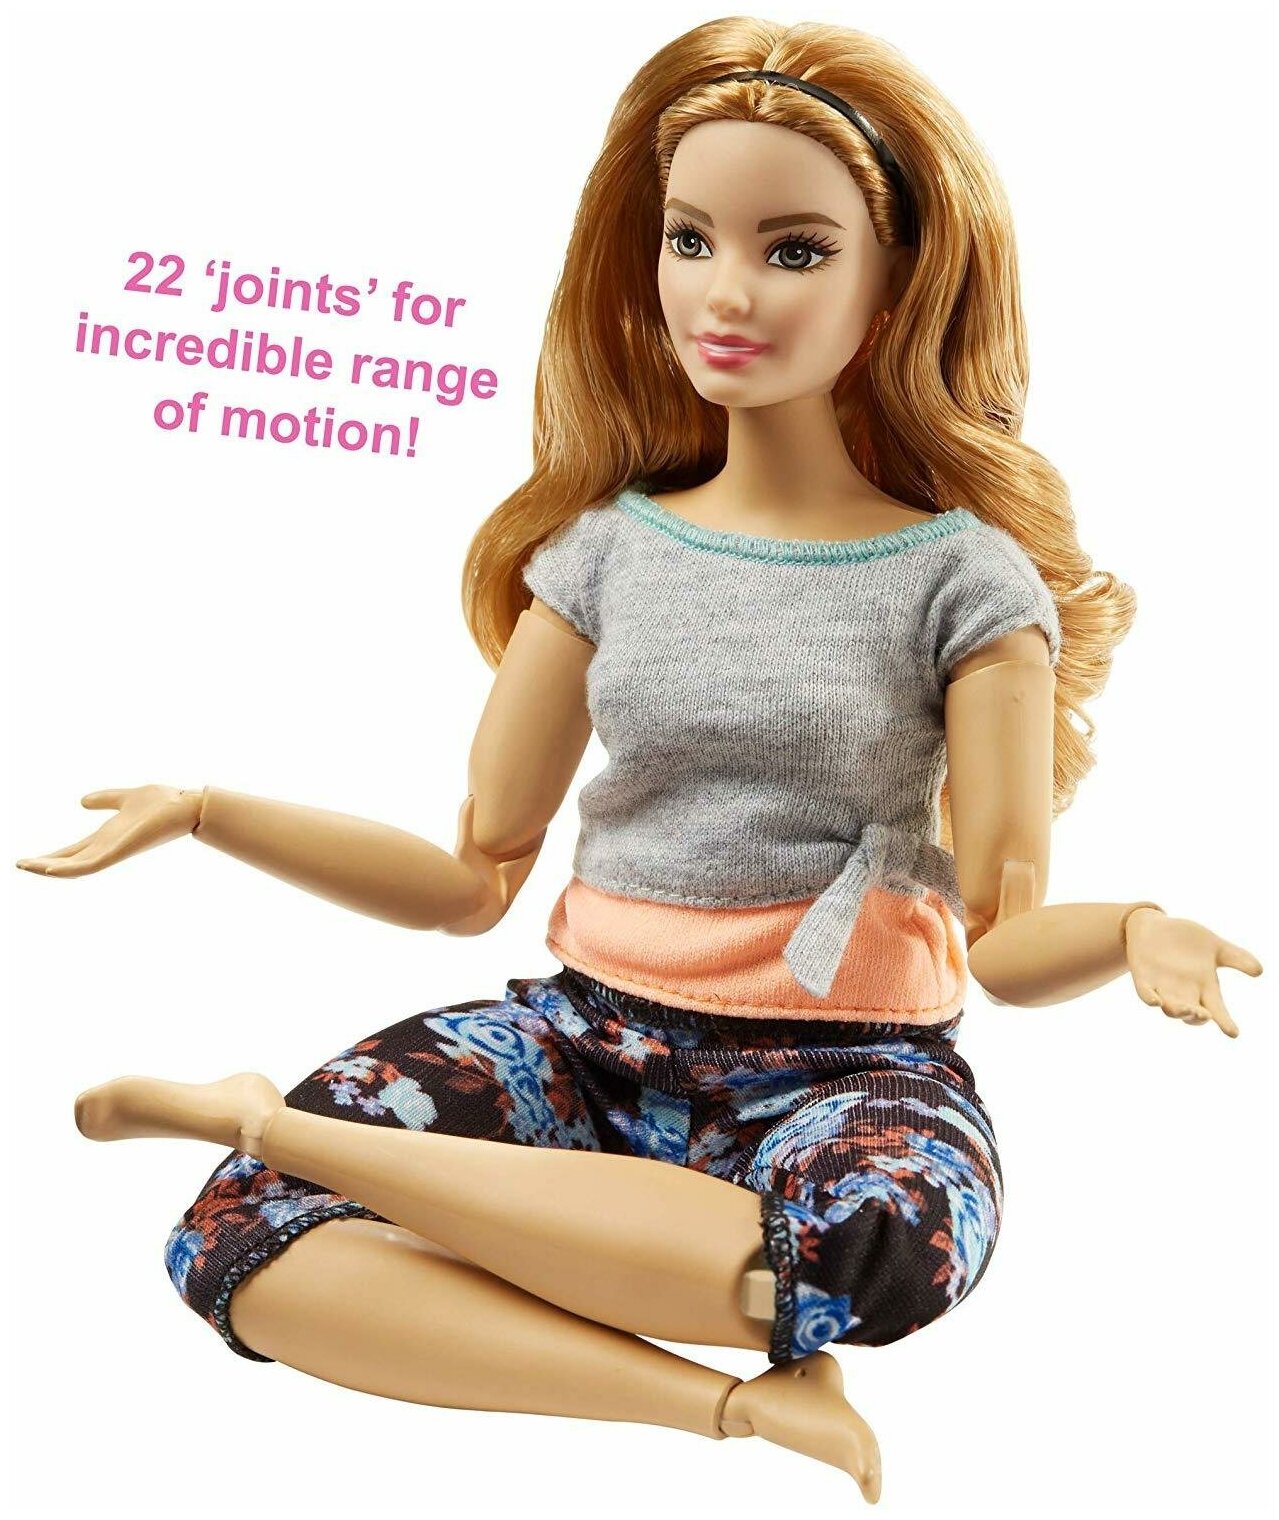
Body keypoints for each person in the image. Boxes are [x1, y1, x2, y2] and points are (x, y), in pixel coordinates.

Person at [17, 17, 1262, 1503]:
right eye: (690, 239)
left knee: (884, 1253)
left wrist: (1134, 932)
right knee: (234, 1241)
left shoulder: (965, 583)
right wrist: (208, 811)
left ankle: (287, 1129)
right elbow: (473, 872)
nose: (724, 293)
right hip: (585, 1045)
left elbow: (999, 933)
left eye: (794, 250)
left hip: (846, 1069)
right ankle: (721, 1406)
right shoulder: (602, 553)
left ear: (897, 285)